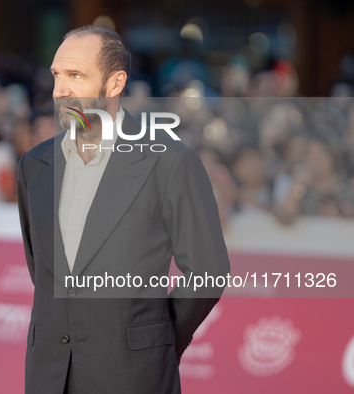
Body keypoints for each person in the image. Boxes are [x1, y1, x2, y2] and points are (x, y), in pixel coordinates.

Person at [17, 25, 230, 394]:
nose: (60, 89)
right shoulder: (35, 164)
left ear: (115, 84)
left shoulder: (169, 161)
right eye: (56, 75)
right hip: (49, 374)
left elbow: (208, 271)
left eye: (75, 75)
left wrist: (155, 339)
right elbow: (45, 270)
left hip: (134, 375)